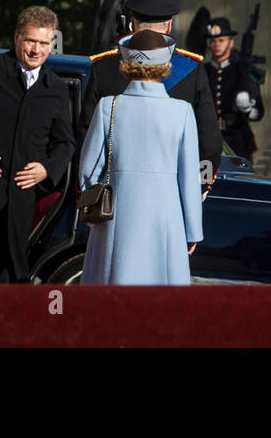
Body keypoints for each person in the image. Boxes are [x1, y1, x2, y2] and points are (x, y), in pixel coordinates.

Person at [79, 30, 203, 285]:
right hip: (165, 221)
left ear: (127, 64)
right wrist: (192, 231)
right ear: (166, 66)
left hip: (114, 216)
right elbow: (189, 179)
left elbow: (88, 170)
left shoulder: (108, 105)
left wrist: (90, 208)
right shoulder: (182, 112)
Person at [0, 5, 74, 282]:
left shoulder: (56, 89)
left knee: (10, 269)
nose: (36, 50)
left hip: (21, 197)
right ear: (16, 38)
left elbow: (65, 143)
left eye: (43, 43)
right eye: (30, 41)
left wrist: (47, 170)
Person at [83, 0, 221, 177]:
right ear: (169, 25)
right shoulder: (191, 69)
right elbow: (209, 141)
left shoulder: (103, 67)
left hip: (113, 189)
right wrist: (200, 184)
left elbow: (86, 135)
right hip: (173, 186)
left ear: (132, 23)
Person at [203, 17, 264, 162]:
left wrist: (248, 109)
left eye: (221, 40)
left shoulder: (242, 70)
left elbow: (259, 112)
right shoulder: (203, 71)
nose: (216, 44)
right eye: (213, 41)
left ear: (231, 43)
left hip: (237, 140)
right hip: (208, 141)